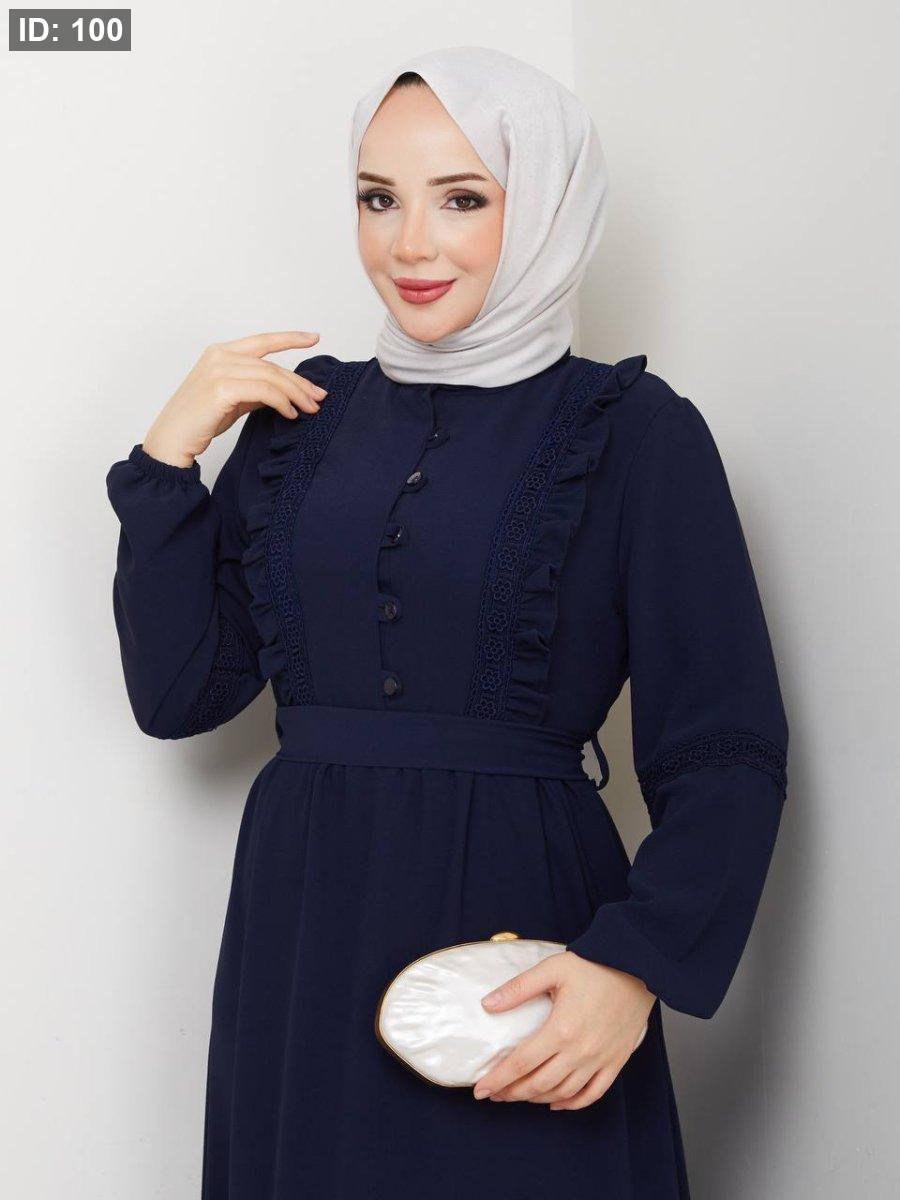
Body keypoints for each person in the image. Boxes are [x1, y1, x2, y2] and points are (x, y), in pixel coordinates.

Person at [105, 45, 789, 1199]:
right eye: (379, 199)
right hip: (303, 933)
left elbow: (726, 748)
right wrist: (168, 459)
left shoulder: (634, 433)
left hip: (528, 943)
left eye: (462, 199)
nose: (409, 244)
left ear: (548, 206)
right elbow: (180, 693)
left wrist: (634, 968)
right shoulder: (301, 420)